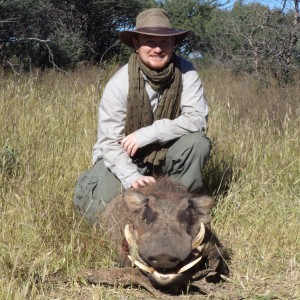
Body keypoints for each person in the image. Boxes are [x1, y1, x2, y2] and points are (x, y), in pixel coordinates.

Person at [74, 8, 211, 224]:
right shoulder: (119, 83)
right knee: (99, 214)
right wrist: (133, 177)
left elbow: (197, 119)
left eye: (164, 42)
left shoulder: (187, 72)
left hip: (164, 152)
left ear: (173, 43)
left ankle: (182, 207)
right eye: (149, 41)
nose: (157, 49)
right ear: (137, 45)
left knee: (198, 143)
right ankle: (89, 187)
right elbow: (109, 142)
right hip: (123, 157)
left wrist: (148, 134)